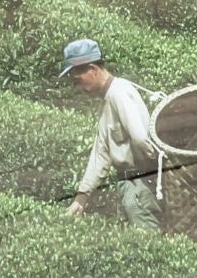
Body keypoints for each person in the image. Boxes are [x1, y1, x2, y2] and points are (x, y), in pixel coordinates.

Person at [61, 38, 164, 231]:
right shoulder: (108, 99)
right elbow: (101, 153)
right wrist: (81, 199)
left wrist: (148, 170)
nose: (78, 88)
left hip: (138, 185)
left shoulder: (119, 93)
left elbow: (140, 138)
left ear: (92, 69)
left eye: (78, 80)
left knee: (146, 241)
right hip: (131, 184)